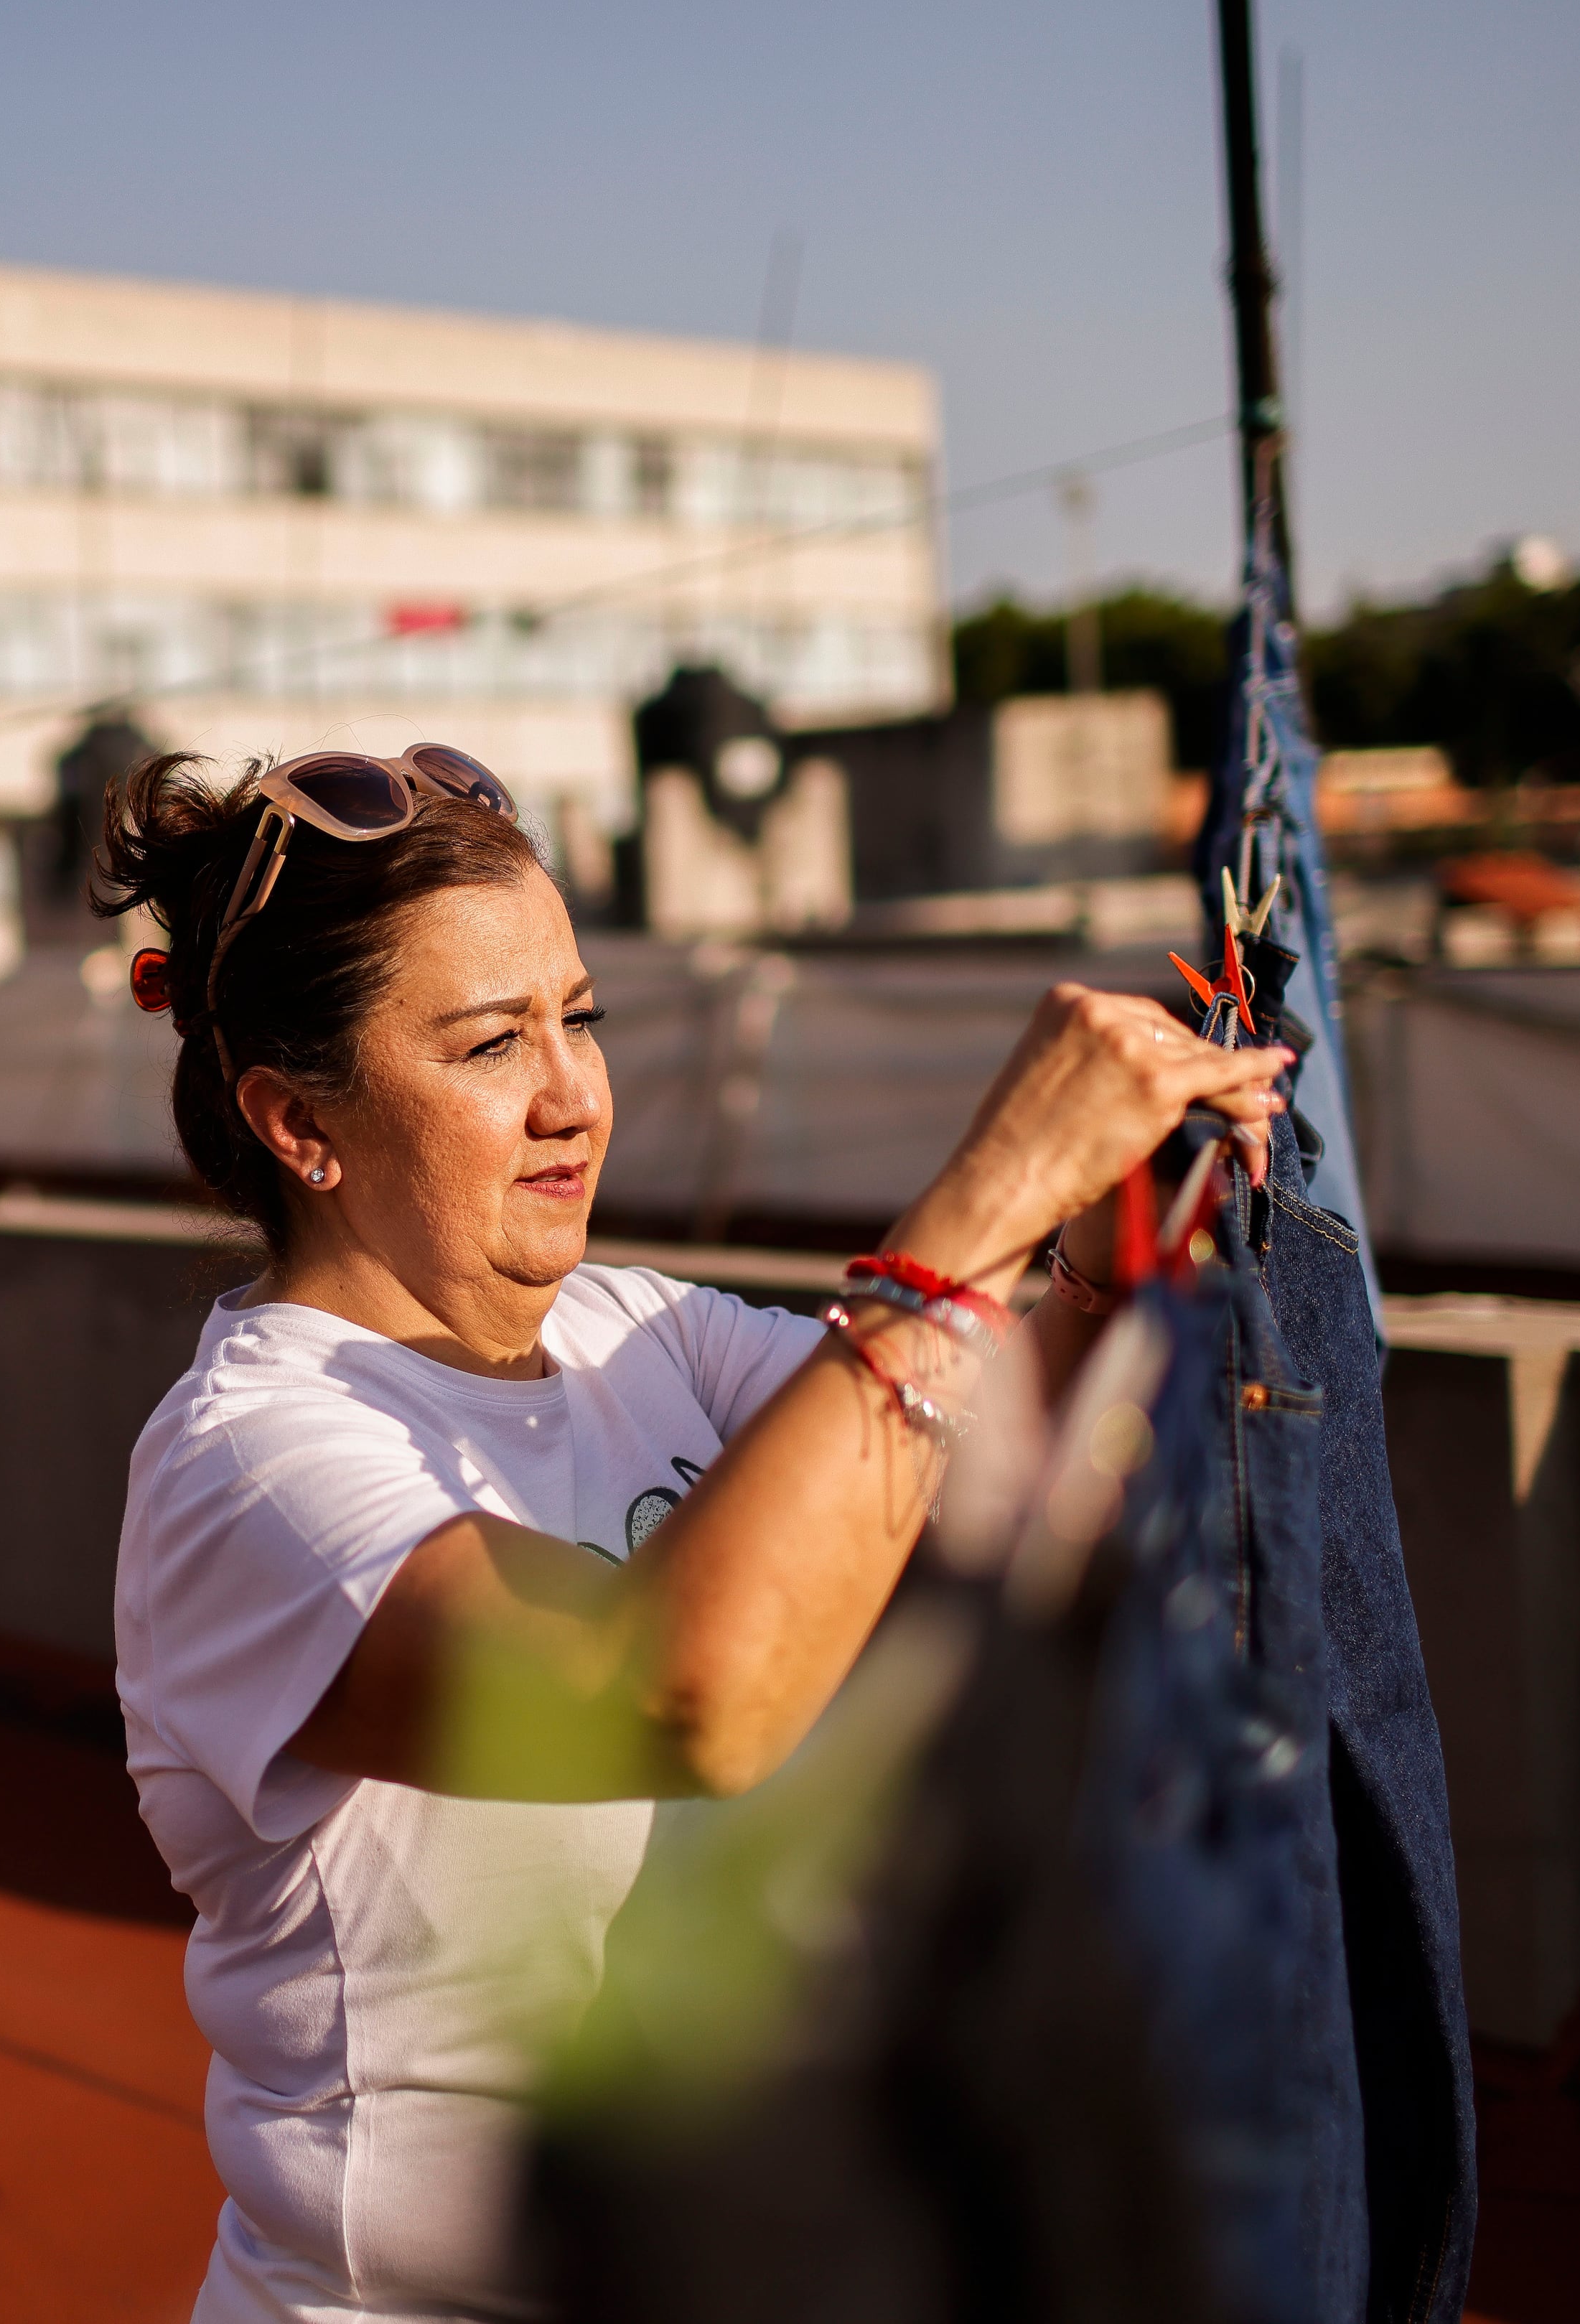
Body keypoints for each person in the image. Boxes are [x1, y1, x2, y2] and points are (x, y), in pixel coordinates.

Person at [100, 744, 1291, 2324]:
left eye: (576, 1018)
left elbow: (970, 1460)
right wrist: (986, 1191)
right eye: (482, 1045)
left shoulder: (633, 1331)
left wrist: (1084, 1240)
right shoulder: (248, 1467)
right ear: (295, 1120)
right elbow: (676, 1694)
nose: (569, 1094)